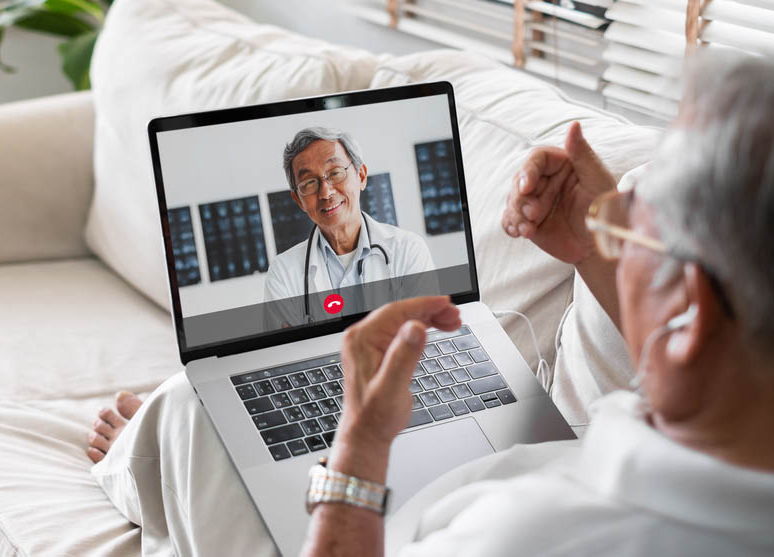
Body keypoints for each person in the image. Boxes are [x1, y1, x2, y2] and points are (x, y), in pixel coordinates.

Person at [88, 53, 774, 556]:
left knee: (185, 413)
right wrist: (600, 249)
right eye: (307, 185)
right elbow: (714, 352)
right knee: (197, 409)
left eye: (632, 225)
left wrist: (356, 445)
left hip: (385, 510)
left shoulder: (535, 537)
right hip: (509, 452)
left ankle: (136, 463)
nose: (324, 194)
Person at [263, 127, 436, 323]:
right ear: (298, 200)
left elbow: (424, 337)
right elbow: (287, 352)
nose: (325, 193)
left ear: (361, 176)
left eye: (335, 173)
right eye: (309, 183)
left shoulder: (408, 249)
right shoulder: (283, 273)